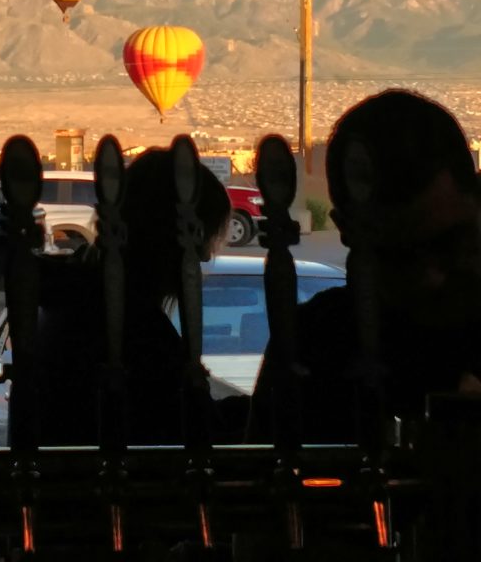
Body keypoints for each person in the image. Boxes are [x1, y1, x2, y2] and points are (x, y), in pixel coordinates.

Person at [247, 87, 481, 447]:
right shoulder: (313, 343)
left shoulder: (310, 342)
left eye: (449, 243)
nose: (431, 276)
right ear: (345, 230)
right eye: (396, 257)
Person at [35, 146, 243, 447]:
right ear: (169, 234)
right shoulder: (136, 330)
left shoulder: (78, 299)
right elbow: (180, 434)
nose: (204, 255)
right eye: (197, 236)